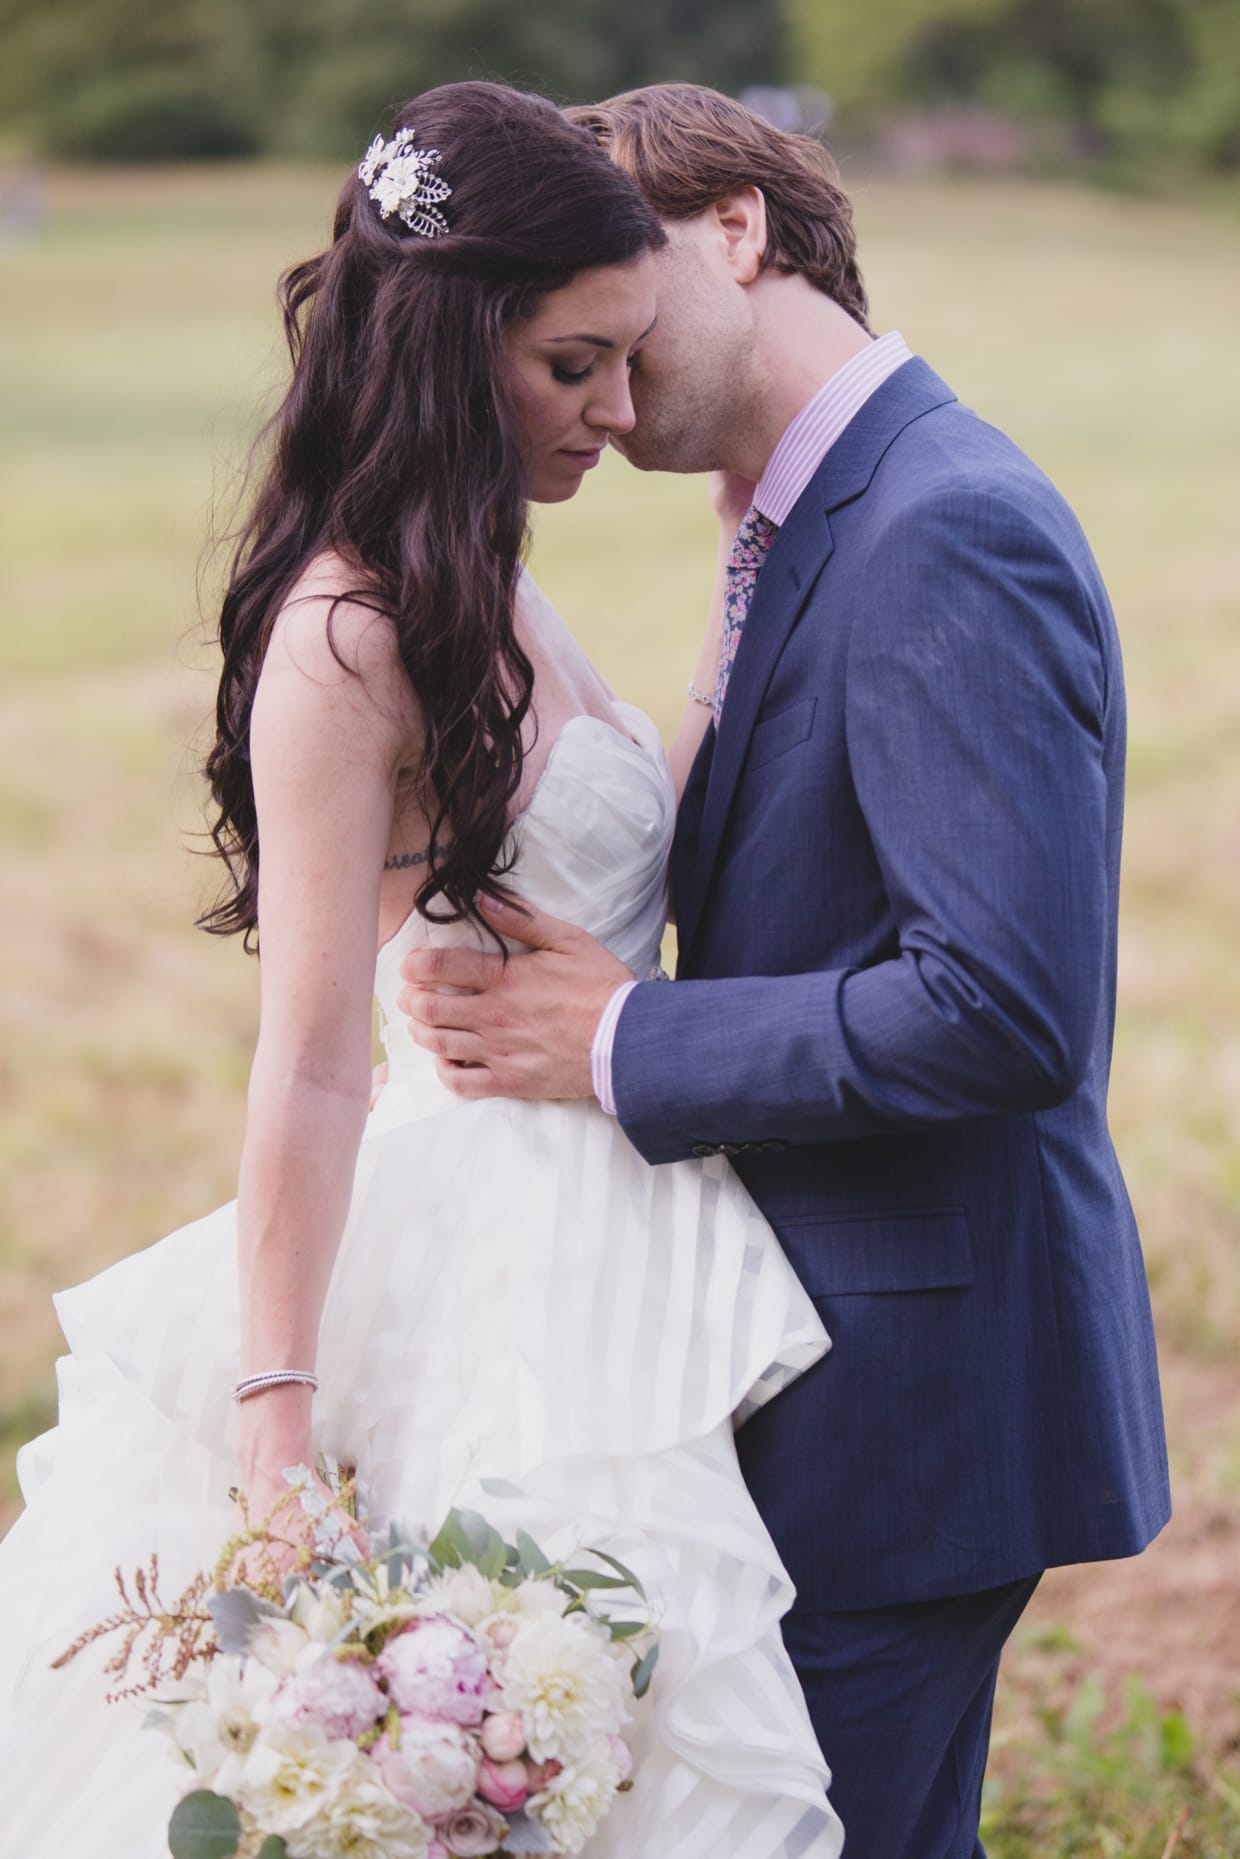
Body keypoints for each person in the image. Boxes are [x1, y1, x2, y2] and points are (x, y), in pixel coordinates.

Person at [0, 82, 844, 1858]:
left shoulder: (493, 580)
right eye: (573, 365)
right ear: (456, 348)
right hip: (491, 1277)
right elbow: (308, 1057)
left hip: (626, 1224)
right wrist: (277, 1428)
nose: (618, 410)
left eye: (626, 360)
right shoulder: (347, 634)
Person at [397, 83, 1172, 1859]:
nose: (584, 358)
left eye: (611, 284)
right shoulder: (798, 523)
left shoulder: (937, 525)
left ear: (735, 228)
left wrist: (626, 1037)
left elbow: (1003, 1005)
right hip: (802, 1357)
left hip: (914, 1397)